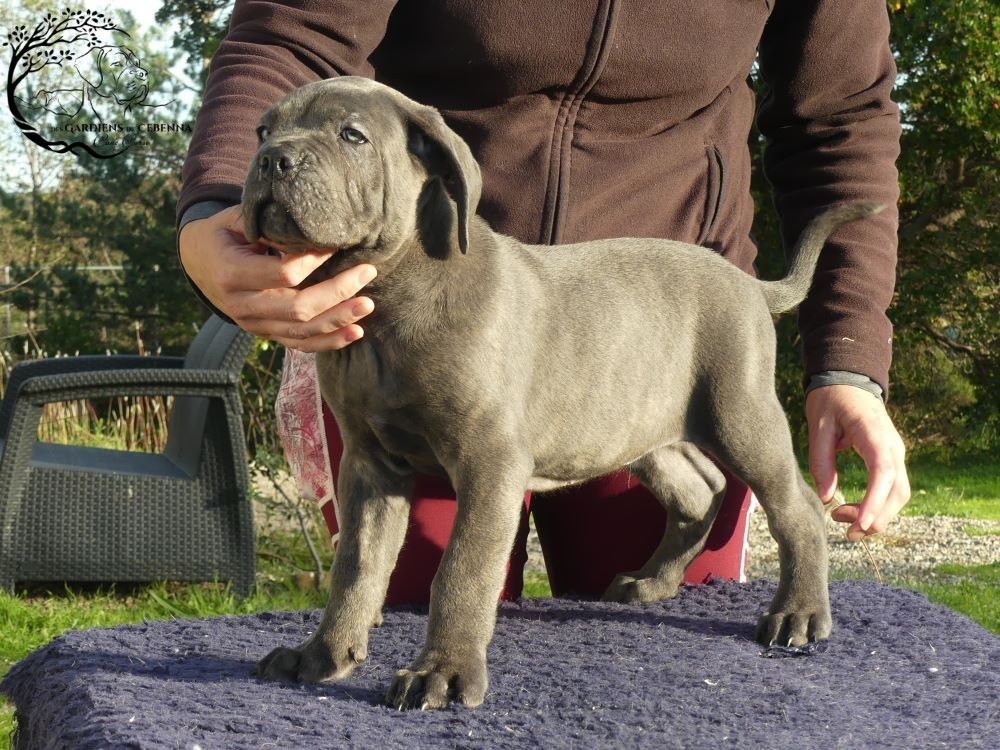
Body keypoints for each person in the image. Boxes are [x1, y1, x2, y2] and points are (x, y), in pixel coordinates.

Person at [177, 0, 911, 603]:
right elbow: (290, 33)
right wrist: (215, 212)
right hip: (403, 310)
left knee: (658, 681)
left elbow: (839, 115)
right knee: (405, 656)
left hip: (649, 333)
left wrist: (846, 360)